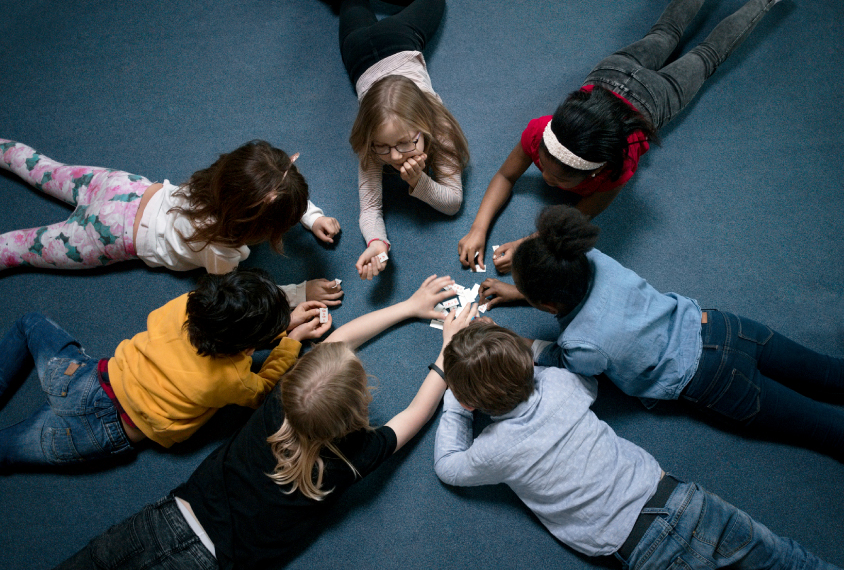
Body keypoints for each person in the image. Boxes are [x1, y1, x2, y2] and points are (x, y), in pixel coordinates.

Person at [55, 275, 475, 569]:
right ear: (357, 413)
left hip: (171, 515)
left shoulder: (276, 401)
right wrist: (447, 355)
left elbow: (339, 342)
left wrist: (406, 307)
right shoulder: (348, 459)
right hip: (216, 561)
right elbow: (415, 414)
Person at [434, 320, 840, 569]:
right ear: (528, 366)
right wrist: (529, 353)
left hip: (640, 549)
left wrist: (456, 403)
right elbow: (585, 377)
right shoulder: (560, 385)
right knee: (785, 558)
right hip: (682, 499)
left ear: (471, 401)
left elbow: (449, 467)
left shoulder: (493, 450)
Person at [478, 205, 844, 460]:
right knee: (827, 371)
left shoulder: (580, 345)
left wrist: (519, 343)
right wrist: (524, 280)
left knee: (823, 428)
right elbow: (562, 262)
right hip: (724, 327)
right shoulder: (593, 257)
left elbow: (560, 357)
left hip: (712, 379)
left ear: (546, 306)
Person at [458, 0, 783, 273]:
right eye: (543, 166)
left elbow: (583, 211)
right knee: (665, 33)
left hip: (656, 97)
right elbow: (505, 175)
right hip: (614, 70)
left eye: (560, 180)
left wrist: (529, 244)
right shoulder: (540, 131)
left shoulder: (617, 166)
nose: (548, 178)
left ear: (595, 172)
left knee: (707, 55)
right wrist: (478, 228)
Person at [0, 268, 331, 470]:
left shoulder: (189, 303)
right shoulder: (229, 379)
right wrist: (291, 339)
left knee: (31, 325)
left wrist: (281, 323)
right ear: (247, 348)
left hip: (84, 381)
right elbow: (263, 390)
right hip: (97, 435)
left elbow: (229, 331)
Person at [0, 138, 343, 306]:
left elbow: (269, 189)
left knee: (42, 167)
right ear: (257, 227)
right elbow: (241, 294)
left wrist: (311, 217)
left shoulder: (220, 179)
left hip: (124, 187)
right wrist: (300, 291)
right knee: (21, 248)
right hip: (107, 236)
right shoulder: (222, 250)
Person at [339, 0, 470, 280]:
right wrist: (377, 242)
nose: (395, 156)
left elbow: (453, 202)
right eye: (384, 147)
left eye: (404, 143)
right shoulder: (371, 140)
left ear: (424, 128)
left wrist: (418, 181)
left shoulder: (440, 126)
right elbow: (370, 207)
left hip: (399, 38)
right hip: (358, 53)